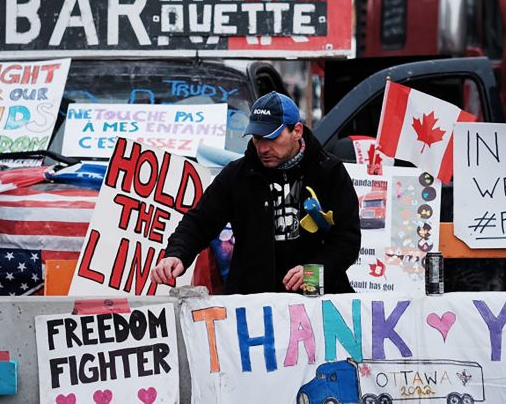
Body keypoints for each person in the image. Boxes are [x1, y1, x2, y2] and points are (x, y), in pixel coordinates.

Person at [152, 91, 361, 294]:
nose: (263, 148)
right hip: (253, 307)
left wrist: (315, 273)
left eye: (272, 138)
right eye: (257, 138)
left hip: (315, 303)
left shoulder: (329, 171)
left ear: (296, 131)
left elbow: (347, 239)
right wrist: (177, 255)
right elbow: (200, 221)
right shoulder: (238, 175)